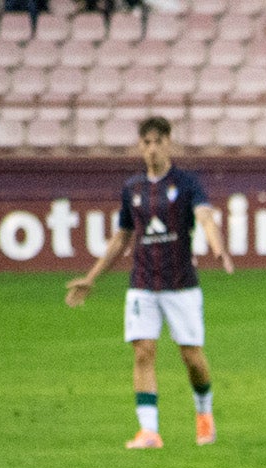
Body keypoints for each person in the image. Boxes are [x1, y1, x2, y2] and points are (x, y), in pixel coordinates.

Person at [65, 115, 232, 450]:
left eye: (158, 141)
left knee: (192, 357)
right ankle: (149, 431)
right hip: (142, 283)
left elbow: (204, 217)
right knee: (143, 351)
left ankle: (204, 413)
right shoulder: (133, 189)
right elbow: (122, 238)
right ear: (140, 147)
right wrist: (92, 278)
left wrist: (218, 248)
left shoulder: (186, 184)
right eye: (147, 143)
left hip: (181, 283)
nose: (152, 148)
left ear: (169, 143)